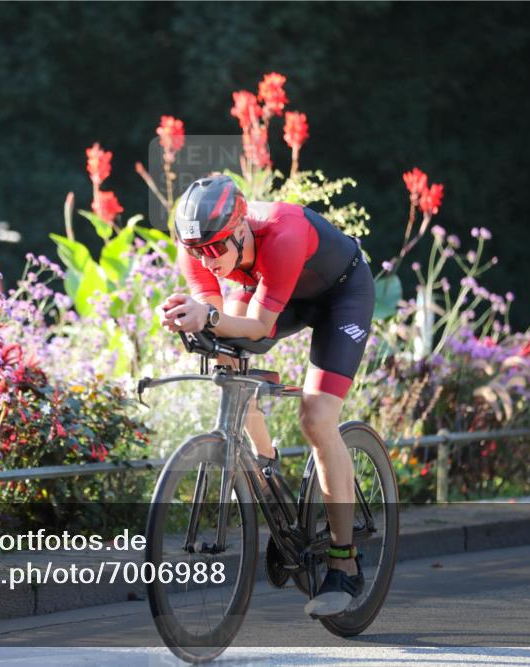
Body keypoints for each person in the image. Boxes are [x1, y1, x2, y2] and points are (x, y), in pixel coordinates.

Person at [157, 174, 375, 619]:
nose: (207, 259)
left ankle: (344, 562)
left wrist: (209, 316)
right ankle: (267, 468)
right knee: (226, 360)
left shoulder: (283, 229)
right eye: (198, 251)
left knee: (316, 417)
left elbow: (256, 326)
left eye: (217, 248)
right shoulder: (199, 245)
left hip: (340, 296)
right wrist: (192, 316)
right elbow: (215, 314)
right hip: (279, 291)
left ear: (240, 229)